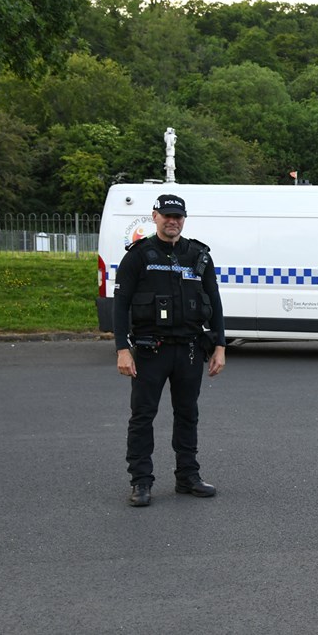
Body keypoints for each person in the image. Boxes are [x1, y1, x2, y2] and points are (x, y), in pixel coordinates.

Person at [113, 194, 226, 508]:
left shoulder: (198, 256)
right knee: (143, 416)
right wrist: (122, 348)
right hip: (151, 351)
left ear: (184, 219)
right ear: (155, 216)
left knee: (188, 415)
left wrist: (220, 345)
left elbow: (214, 302)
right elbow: (120, 305)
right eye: (167, 216)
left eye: (178, 216)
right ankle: (141, 481)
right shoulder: (138, 256)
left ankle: (187, 476)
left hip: (190, 349)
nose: (172, 221)